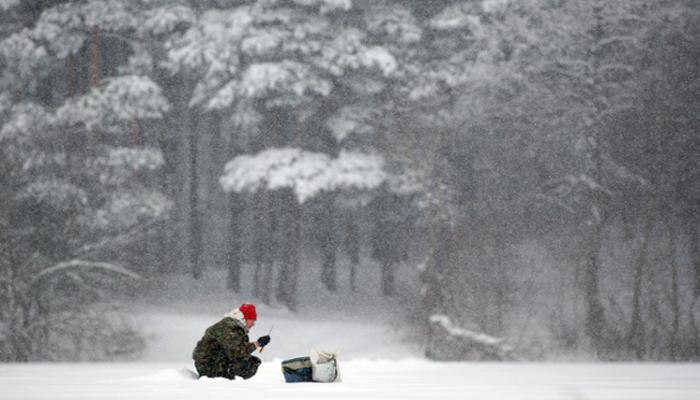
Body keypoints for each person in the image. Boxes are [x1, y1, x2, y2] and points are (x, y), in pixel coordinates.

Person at [192, 303, 271, 380]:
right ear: (245, 318)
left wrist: (257, 344)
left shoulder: (235, 327)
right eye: (252, 320)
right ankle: (223, 380)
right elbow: (235, 352)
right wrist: (257, 344)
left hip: (214, 361)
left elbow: (239, 350)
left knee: (251, 361)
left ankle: (227, 377)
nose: (253, 324)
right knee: (249, 364)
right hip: (207, 365)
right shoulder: (229, 328)